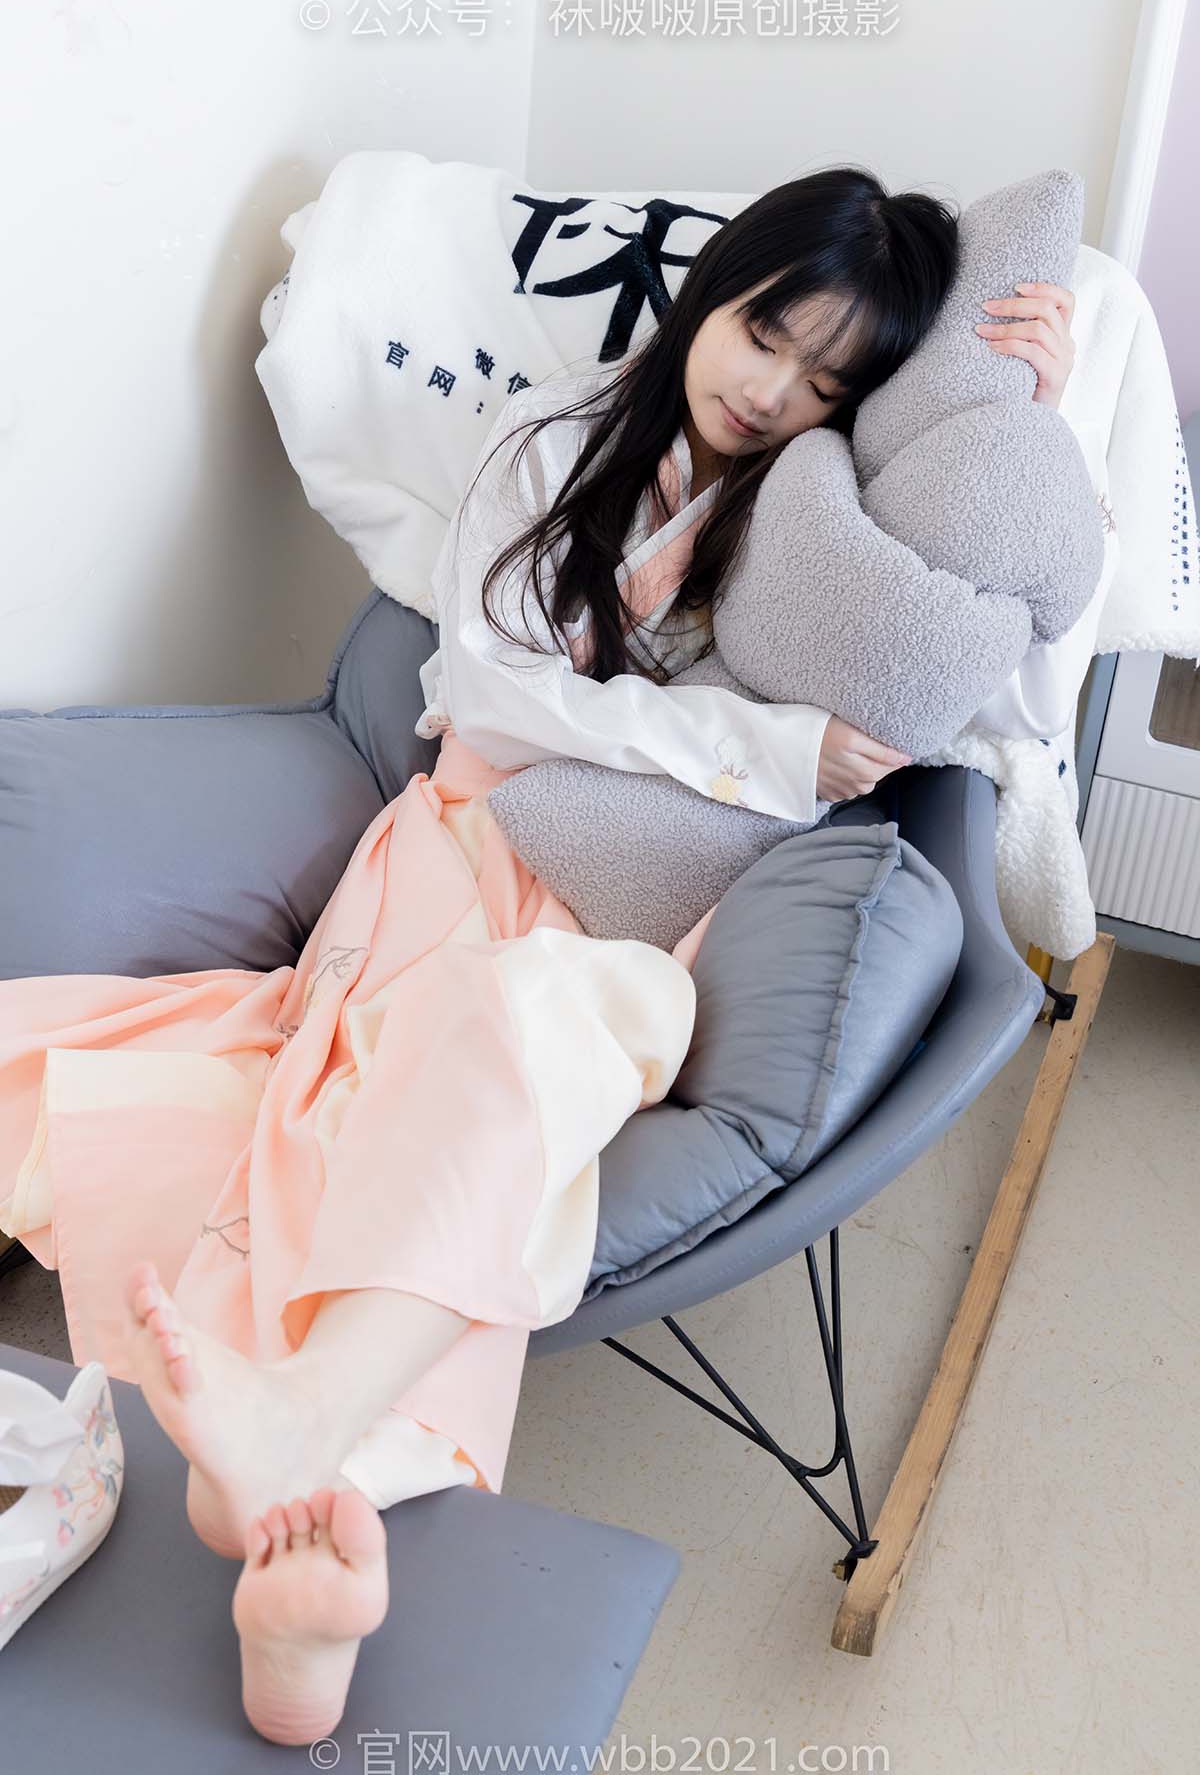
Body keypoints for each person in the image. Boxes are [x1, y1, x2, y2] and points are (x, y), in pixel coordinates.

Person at [0, 164, 1079, 1743]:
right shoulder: (555, 440)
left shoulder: (821, 511)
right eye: (765, 332)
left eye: (827, 380)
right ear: (720, 287)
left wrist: (1028, 426)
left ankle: (295, 1438)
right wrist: (759, 748)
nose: (772, 391)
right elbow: (492, 694)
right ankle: (309, 1498)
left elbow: (1003, 669)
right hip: (469, 841)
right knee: (383, 1081)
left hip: (643, 908)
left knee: (555, 1018)